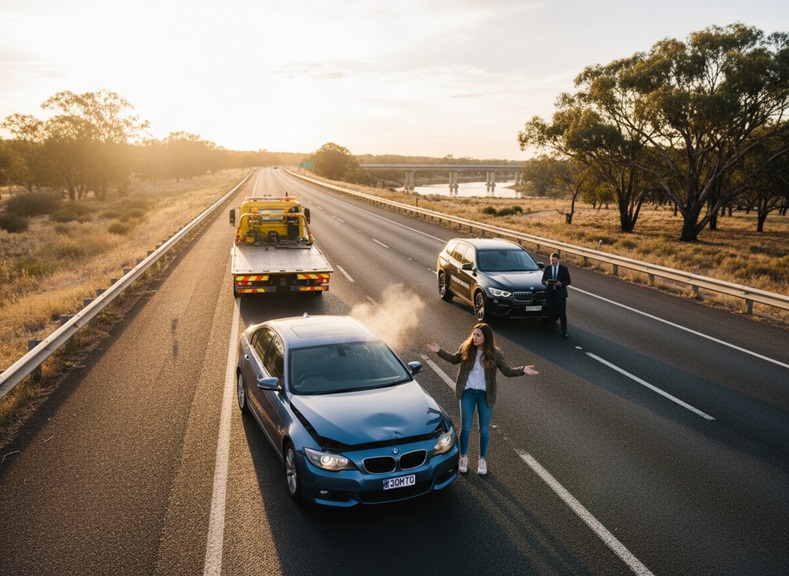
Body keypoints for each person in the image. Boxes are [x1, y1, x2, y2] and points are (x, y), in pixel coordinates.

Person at [427, 323, 539, 476]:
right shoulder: (466, 348)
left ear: (486, 338)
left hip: (485, 395)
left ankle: (482, 460)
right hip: (467, 393)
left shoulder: (495, 353)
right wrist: (439, 351)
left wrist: (522, 369)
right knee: (466, 427)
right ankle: (464, 457)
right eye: (474, 334)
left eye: (478, 335)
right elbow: (454, 359)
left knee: (484, 429)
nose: (474, 337)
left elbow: (506, 371)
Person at [542, 252, 571, 338]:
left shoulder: (563, 269)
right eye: (552, 260)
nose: (553, 262)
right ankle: (551, 330)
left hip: (560, 295)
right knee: (551, 313)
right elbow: (543, 280)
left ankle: (564, 331)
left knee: (562, 313)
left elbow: (568, 281)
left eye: (555, 260)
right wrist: (546, 283)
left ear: (558, 260)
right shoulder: (547, 268)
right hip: (550, 294)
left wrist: (560, 283)